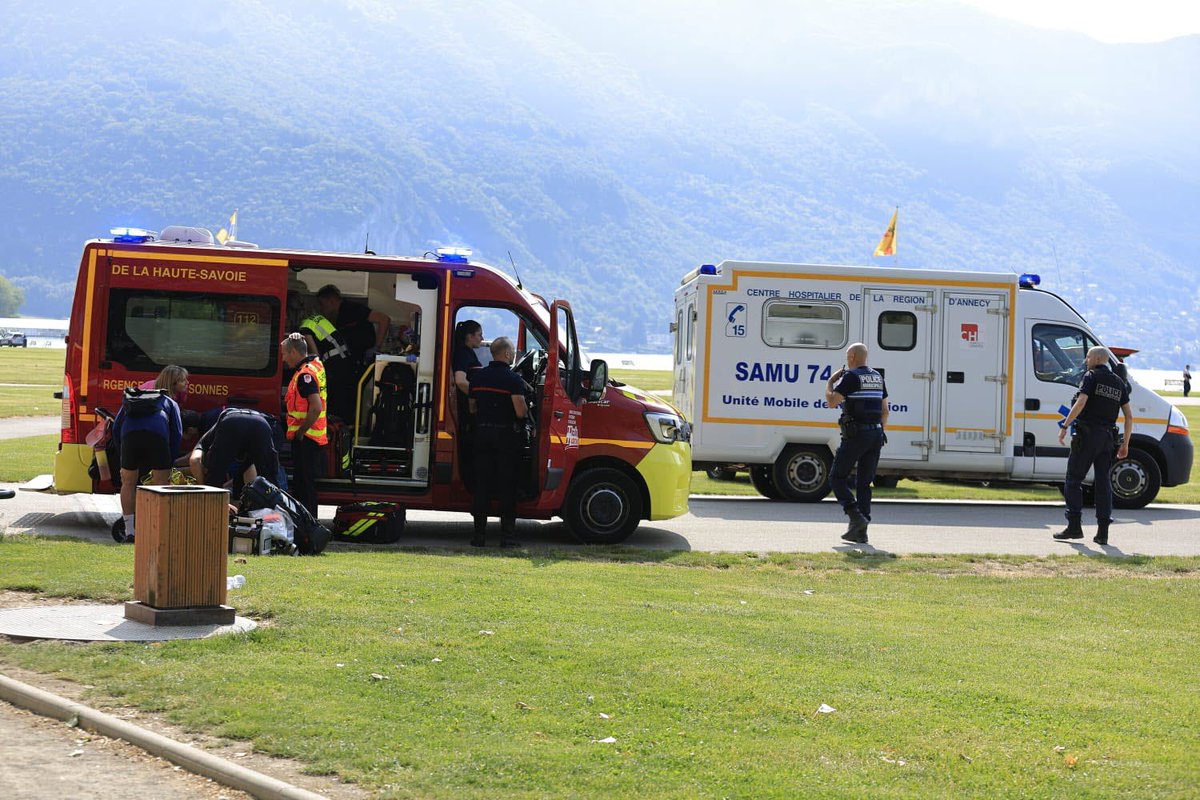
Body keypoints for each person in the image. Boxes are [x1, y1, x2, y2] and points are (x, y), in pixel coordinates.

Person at [1054, 346, 1133, 546]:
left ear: (1097, 359)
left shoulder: (1091, 376)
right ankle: (1102, 533)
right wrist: (1125, 444)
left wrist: (1065, 425)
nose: (1086, 360)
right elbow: (1129, 416)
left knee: (1073, 480)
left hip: (1088, 435)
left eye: (1088, 356)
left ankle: (1074, 526)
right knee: (1103, 483)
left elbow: (1081, 402)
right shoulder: (1118, 382)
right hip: (1108, 439)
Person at [825, 342, 888, 544]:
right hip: (876, 435)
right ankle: (861, 531)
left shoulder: (851, 377)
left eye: (847, 355)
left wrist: (830, 382)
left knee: (836, 477)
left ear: (852, 356)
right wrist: (880, 430)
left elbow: (832, 401)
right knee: (864, 483)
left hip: (857, 435)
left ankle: (855, 515)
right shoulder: (878, 377)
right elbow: (885, 410)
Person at [467, 336, 527, 548]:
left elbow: (472, 408)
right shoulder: (513, 380)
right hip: (505, 439)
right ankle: (507, 537)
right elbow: (520, 412)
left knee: (482, 485)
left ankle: (479, 536)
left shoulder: (478, 378)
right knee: (506, 486)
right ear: (508, 354)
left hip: (482, 435)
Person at [112, 387, 182, 543]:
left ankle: (130, 532)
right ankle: (159, 531)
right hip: (157, 435)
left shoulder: (131, 400)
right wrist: (170, 461)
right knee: (161, 484)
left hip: (129, 436)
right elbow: (177, 432)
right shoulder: (170, 402)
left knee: (128, 483)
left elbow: (116, 428)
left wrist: (122, 454)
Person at [281, 332, 327, 517]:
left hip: (306, 438)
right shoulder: (316, 365)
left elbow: (315, 408)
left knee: (304, 485)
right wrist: (301, 337)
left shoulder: (304, 375)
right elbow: (314, 353)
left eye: (284, 354)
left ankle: (309, 528)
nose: (283, 359)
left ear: (293, 352)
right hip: (313, 437)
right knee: (306, 484)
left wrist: (300, 432)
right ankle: (308, 526)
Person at [189, 407, 282, 499]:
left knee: (214, 482)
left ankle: (212, 504)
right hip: (262, 424)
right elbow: (249, 468)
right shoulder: (214, 432)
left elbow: (195, 460)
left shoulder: (207, 439)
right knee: (269, 483)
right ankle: (269, 508)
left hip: (231, 422)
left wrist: (204, 488)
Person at [298, 307, 355, 422]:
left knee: (332, 398)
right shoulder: (318, 319)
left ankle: (332, 425)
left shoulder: (305, 327)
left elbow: (315, 355)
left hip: (334, 364)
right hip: (345, 360)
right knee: (341, 396)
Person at [315, 285, 390, 369]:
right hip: (353, 359)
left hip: (363, 357)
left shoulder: (352, 309)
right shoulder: (338, 315)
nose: (321, 308)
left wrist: (376, 347)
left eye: (322, 304)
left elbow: (383, 319)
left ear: (331, 301)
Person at [453, 320, 484, 487]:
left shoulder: (467, 352)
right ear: (469, 336)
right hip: (466, 409)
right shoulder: (464, 353)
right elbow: (460, 380)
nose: (481, 338)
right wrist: (479, 397)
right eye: (479, 335)